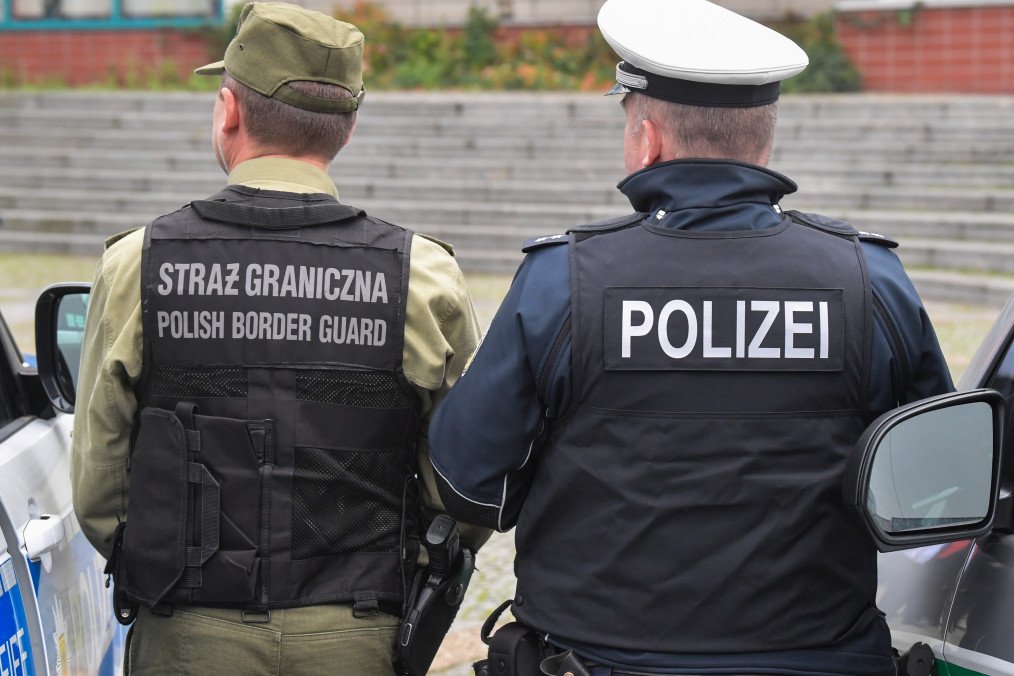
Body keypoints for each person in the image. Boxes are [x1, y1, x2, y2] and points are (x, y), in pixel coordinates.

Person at [428, 1, 954, 674]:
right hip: (823, 659)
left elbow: (469, 481)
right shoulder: (870, 280)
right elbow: (932, 487)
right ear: (762, 142)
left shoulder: (564, 280)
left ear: (647, 140)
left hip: (593, 660)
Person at [70, 3, 487, 673]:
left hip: (188, 631)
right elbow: (465, 481)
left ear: (228, 111)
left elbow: (99, 483)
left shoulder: (138, 264)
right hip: (358, 635)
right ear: (347, 128)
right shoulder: (420, 275)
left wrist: (161, 566)